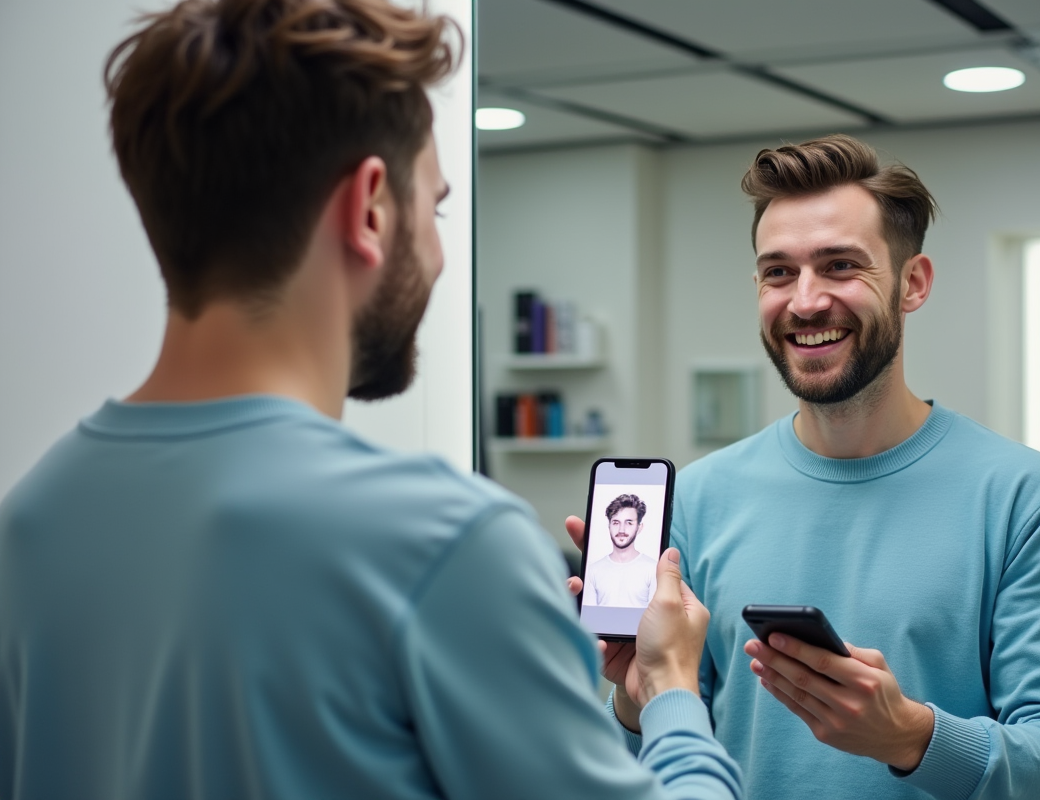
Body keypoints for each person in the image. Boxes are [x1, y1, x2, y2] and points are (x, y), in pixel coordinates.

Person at [0, 2, 743, 799]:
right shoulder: (440, 542)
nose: (438, 249)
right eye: (438, 207)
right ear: (370, 209)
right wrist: (670, 692)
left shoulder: (32, 521)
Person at [569, 134, 1040, 799]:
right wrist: (636, 700)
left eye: (839, 266)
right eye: (778, 272)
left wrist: (911, 736)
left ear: (912, 284)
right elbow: (658, 766)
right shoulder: (701, 497)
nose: (804, 301)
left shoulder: (1026, 497)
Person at [584, 493, 658, 607]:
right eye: (616, 522)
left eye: (629, 523)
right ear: (609, 526)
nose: (621, 529)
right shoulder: (593, 570)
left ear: (639, 527)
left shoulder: (653, 569)